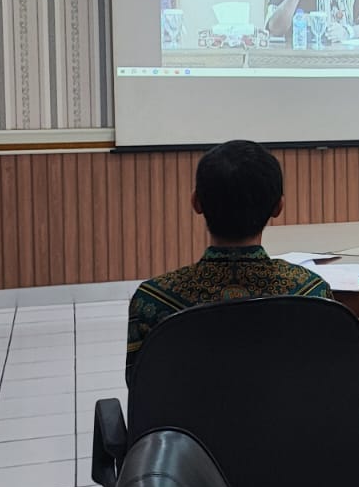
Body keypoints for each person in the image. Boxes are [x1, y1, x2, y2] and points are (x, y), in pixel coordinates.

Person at [125, 140, 330, 381]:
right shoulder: (312, 294)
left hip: (186, 420)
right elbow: (330, 381)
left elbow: (141, 390)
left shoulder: (152, 301)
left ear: (196, 202)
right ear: (278, 207)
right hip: (296, 420)